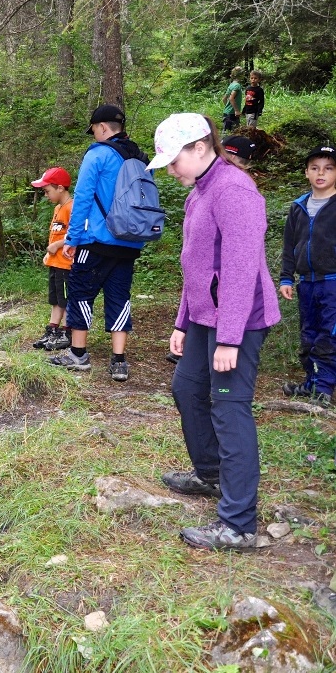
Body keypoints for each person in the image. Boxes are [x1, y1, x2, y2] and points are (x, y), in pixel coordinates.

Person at [147, 112, 279, 551]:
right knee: (186, 389)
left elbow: (241, 269)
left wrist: (230, 337)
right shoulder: (199, 191)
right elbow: (196, 265)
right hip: (207, 318)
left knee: (229, 408)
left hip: (239, 320)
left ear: (200, 148)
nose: (169, 170)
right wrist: (184, 321)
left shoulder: (234, 189)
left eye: (173, 160)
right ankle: (210, 476)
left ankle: (238, 524)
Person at [49, 105, 149, 380]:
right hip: (129, 242)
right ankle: (119, 361)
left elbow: (82, 198)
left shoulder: (98, 155)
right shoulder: (138, 156)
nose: (93, 134)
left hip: (97, 241)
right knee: (119, 296)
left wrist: (71, 239)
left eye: (93, 129)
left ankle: (78, 354)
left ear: (102, 128)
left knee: (81, 291)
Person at [279, 145, 336, 405]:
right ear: (306, 173)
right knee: (309, 334)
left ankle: (323, 388)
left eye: (328, 168)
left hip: (332, 283)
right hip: (307, 284)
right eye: (315, 168)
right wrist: (287, 277)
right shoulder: (298, 206)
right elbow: (290, 244)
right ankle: (312, 383)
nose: (320, 173)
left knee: (329, 334)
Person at [30, 167, 74, 351]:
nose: (46, 195)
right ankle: (52, 329)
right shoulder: (57, 208)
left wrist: (57, 246)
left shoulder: (72, 207)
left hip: (66, 264)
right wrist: (50, 251)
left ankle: (67, 332)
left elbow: (76, 234)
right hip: (55, 263)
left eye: (47, 191)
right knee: (55, 299)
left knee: (66, 299)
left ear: (60, 188)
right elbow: (55, 234)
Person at [222, 66, 244, 132]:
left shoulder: (231, 85)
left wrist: (228, 107)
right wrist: (236, 110)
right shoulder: (237, 85)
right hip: (232, 114)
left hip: (226, 113)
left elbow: (224, 99)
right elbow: (231, 98)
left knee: (226, 132)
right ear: (241, 75)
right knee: (233, 133)